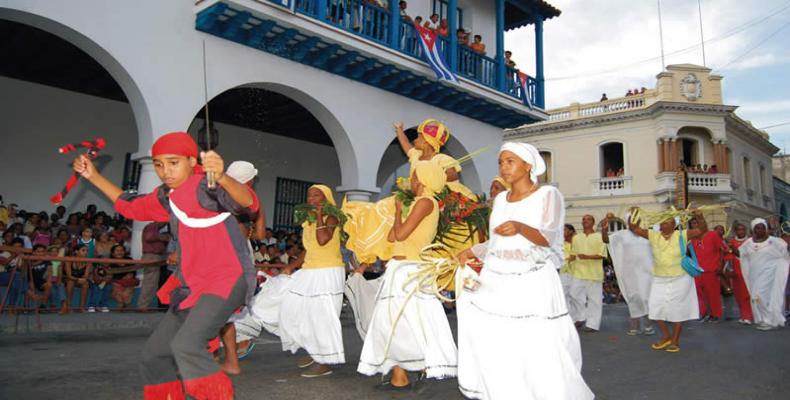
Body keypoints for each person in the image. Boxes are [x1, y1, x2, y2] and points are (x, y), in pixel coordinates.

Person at [73, 131, 257, 399]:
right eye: (158, 164)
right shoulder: (166, 196)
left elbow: (247, 203)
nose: (164, 171)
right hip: (192, 286)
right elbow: (132, 206)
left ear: (191, 160)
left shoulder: (207, 186)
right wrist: (94, 176)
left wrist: (223, 177)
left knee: (187, 345)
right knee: (154, 356)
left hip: (226, 279)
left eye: (173, 162)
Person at [455, 142, 593, 399]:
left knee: (535, 342)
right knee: (498, 338)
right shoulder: (499, 201)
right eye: (501, 162)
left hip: (532, 280)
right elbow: (497, 241)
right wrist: (471, 251)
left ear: (528, 165)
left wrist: (520, 226)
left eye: (510, 161)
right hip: (497, 278)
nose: (504, 167)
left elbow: (549, 237)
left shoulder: (548, 195)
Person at [358, 160, 457, 390]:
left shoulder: (425, 202)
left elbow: (400, 233)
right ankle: (398, 376)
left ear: (423, 179)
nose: (410, 181)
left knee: (415, 322)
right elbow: (393, 238)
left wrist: (398, 213)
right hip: (399, 269)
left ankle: (429, 370)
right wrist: (399, 212)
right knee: (393, 322)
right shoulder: (417, 203)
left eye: (413, 177)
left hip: (412, 270)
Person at [278, 185, 346, 378]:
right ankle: (313, 350)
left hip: (328, 272)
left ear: (326, 198)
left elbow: (323, 239)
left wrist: (318, 216)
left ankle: (324, 361)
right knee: (298, 309)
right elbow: (308, 249)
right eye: (309, 195)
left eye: (317, 195)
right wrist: (292, 266)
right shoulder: (308, 222)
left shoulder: (332, 218)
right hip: (309, 270)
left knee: (322, 317)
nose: (312, 198)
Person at [628, 212, 707, 353]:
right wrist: (634, 216)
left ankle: (675, 340)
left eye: (668, 221)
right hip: (659, 278)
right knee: (654, 307)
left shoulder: (682, 235)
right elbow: (634, 229)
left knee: (676, 309)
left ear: (674, 224)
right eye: (663, 221)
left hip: (681, 278)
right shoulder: (653, 235)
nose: (665, 223)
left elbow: (701, 230)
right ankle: (666, 336)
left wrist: (700, 217)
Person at [604, 210, 654, 335]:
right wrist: (604, 229)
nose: (634, 220)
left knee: (645, 297)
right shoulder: (622, 234)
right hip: (629, 271)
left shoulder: (648, 232)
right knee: (633, 297)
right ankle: (635, 325)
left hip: (647, 271)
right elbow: (606, 240)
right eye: (631, 218)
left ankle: (648, 325)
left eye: (636, 217)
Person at [737, 218, 790, 330]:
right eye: (757, 228)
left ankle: (768, 320)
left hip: (770, 274)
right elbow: (741, 254)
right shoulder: (749, 243)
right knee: (756, 298)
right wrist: (730, 249)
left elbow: (786, 250)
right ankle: (767, 318)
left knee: (758, 296)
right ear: (753, 229)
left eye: (762, 227)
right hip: (754, 276)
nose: (760, 230)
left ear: (766, 229)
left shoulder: (774, 241)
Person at [568, 215, 608, 333]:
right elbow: (573, 254)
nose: (585, 221)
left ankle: (593, 324)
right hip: (578, 272)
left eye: (588, 219)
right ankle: (582, 316)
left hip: (594, 274)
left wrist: (587, 257)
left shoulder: (599, 236)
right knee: (573, 294)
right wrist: (567, 261)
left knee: (594, 300)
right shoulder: (576, 237)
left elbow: (601, 255)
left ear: (593, 222)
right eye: (584, 219)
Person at [690, 218, 727, 323]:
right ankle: (704, 313)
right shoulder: (692, 239)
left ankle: (715, 314)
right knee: (700, 294)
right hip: (698, 270)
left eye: (697, 222)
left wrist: (720, 264)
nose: (695, 225)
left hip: (711, 269)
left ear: (702, 223)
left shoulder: (712, 234)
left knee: (713, 293)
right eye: (693, 223)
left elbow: (722, 249)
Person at [137, 221, 170, 311]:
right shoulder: (152, 226)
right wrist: (164, 238)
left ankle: (145, 306)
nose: (165, 223)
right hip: (151, 256)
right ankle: (143, 306)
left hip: (156, 256)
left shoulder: (155, 228)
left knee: (152, 283)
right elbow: (149, 237)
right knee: (150, 283)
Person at [724, 223, 753, 324]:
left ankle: (748, 316)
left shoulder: (750, 241)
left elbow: (745, 255)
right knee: (737, 295)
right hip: (735, 272)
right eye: (739, 230)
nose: (741, 232)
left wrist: (732, 248)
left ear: (745, 230)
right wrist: (729, 269)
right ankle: (743, 315)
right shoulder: (732, 241)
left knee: (746, 295)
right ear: (735, 231)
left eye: (743, 229)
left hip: (747, 272)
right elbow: (728, 257)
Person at [62, 243, 92, 314]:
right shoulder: (69, 260)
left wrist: (83, 279)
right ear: (76, 251)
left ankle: (82, 308)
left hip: (80, 279)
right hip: (69, 279)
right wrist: (77, 279)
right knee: (70, 282)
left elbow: (86, 275)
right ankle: (69, 307)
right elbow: (69, 275)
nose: (86, 252)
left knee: (86, 283)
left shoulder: (88, 261)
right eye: (83, 250)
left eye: (87, 251)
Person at [110, 244, 137, 312]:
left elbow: (134, 272)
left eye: (121, 250)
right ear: (113, 253)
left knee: (128, 288)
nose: (120, 252)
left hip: (128, 282)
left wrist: (129, 276)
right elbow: (111, 275)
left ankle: (124, 304)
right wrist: (123, 277)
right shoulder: (109, 261)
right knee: (117, 287)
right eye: (117, 250)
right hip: (116, 282)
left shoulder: (129, 260)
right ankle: (122, 303)